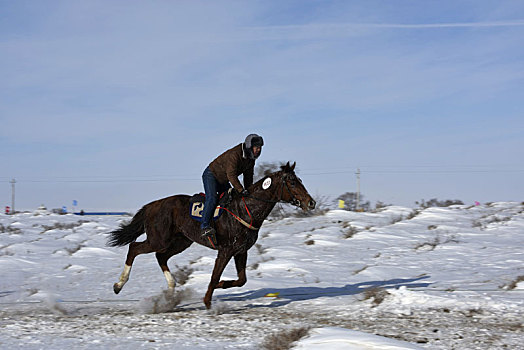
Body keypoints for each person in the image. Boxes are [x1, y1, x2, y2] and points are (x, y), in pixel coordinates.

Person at [201, 134, 264, 240]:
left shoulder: (250, 159)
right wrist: (240, 189)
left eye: (260, 148)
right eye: (256, 147)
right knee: (212, 199)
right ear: (249, 146)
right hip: (211, 175)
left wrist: (250, 191)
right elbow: (231, 175)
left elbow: (248, 177)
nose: (258, 150)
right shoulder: (235, 154)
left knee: (232, 199)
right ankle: (204, 226)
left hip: (223, 179)